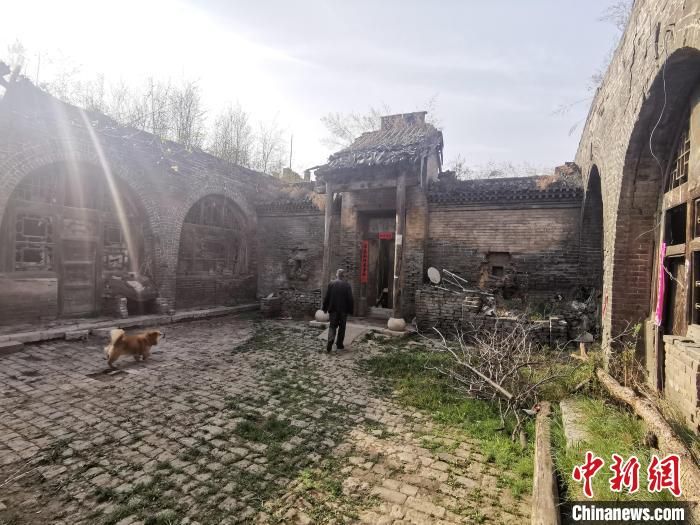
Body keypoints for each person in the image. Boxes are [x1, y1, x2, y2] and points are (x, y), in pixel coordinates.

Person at [322, 268, 354, 352]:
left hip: (333, 310)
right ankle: (339, 344)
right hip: (343, 311)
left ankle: (330, 341)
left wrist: (324, 308)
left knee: (332, 326)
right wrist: (351, 310)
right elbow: (350, 299)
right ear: (343, 276)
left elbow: (327, 297)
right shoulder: (347, 285)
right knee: (342, 327)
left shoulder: (331, 283)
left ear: (337, 274)